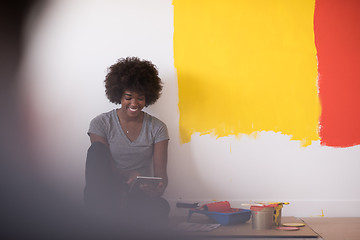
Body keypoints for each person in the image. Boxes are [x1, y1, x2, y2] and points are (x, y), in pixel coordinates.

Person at [84, 57, 170, 227]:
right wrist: (129, 175)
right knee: (96, 151)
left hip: (136, 194)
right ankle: (105, 216)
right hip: (106, 190)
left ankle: (119, 218)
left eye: (140, 98)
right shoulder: (100, 123)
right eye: (128, 97)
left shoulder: (158, 128)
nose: (134, 103)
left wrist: (157, 188)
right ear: (119, 96)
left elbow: (162, 176)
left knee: (162, 207)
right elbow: (99, 166)